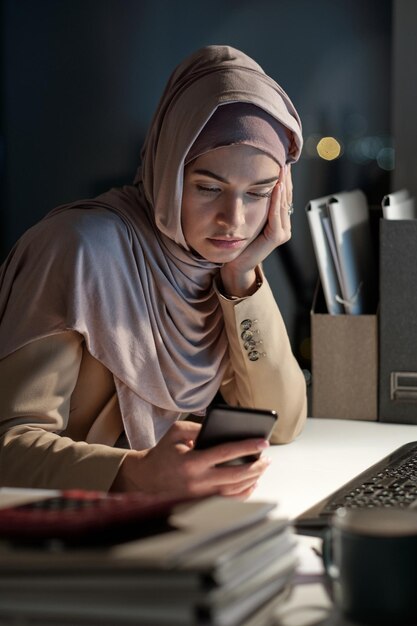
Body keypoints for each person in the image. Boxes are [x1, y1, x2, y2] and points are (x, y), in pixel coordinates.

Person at [0, 44, 307, 499]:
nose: (235, 221)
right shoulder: (77, 248)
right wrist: (134, 472)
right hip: (58, 540)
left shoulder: (211, 269)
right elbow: (10, 447)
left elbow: (279, 422)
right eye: (207, 188)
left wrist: (242, 276)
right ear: (169, 170)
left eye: (259, 193)